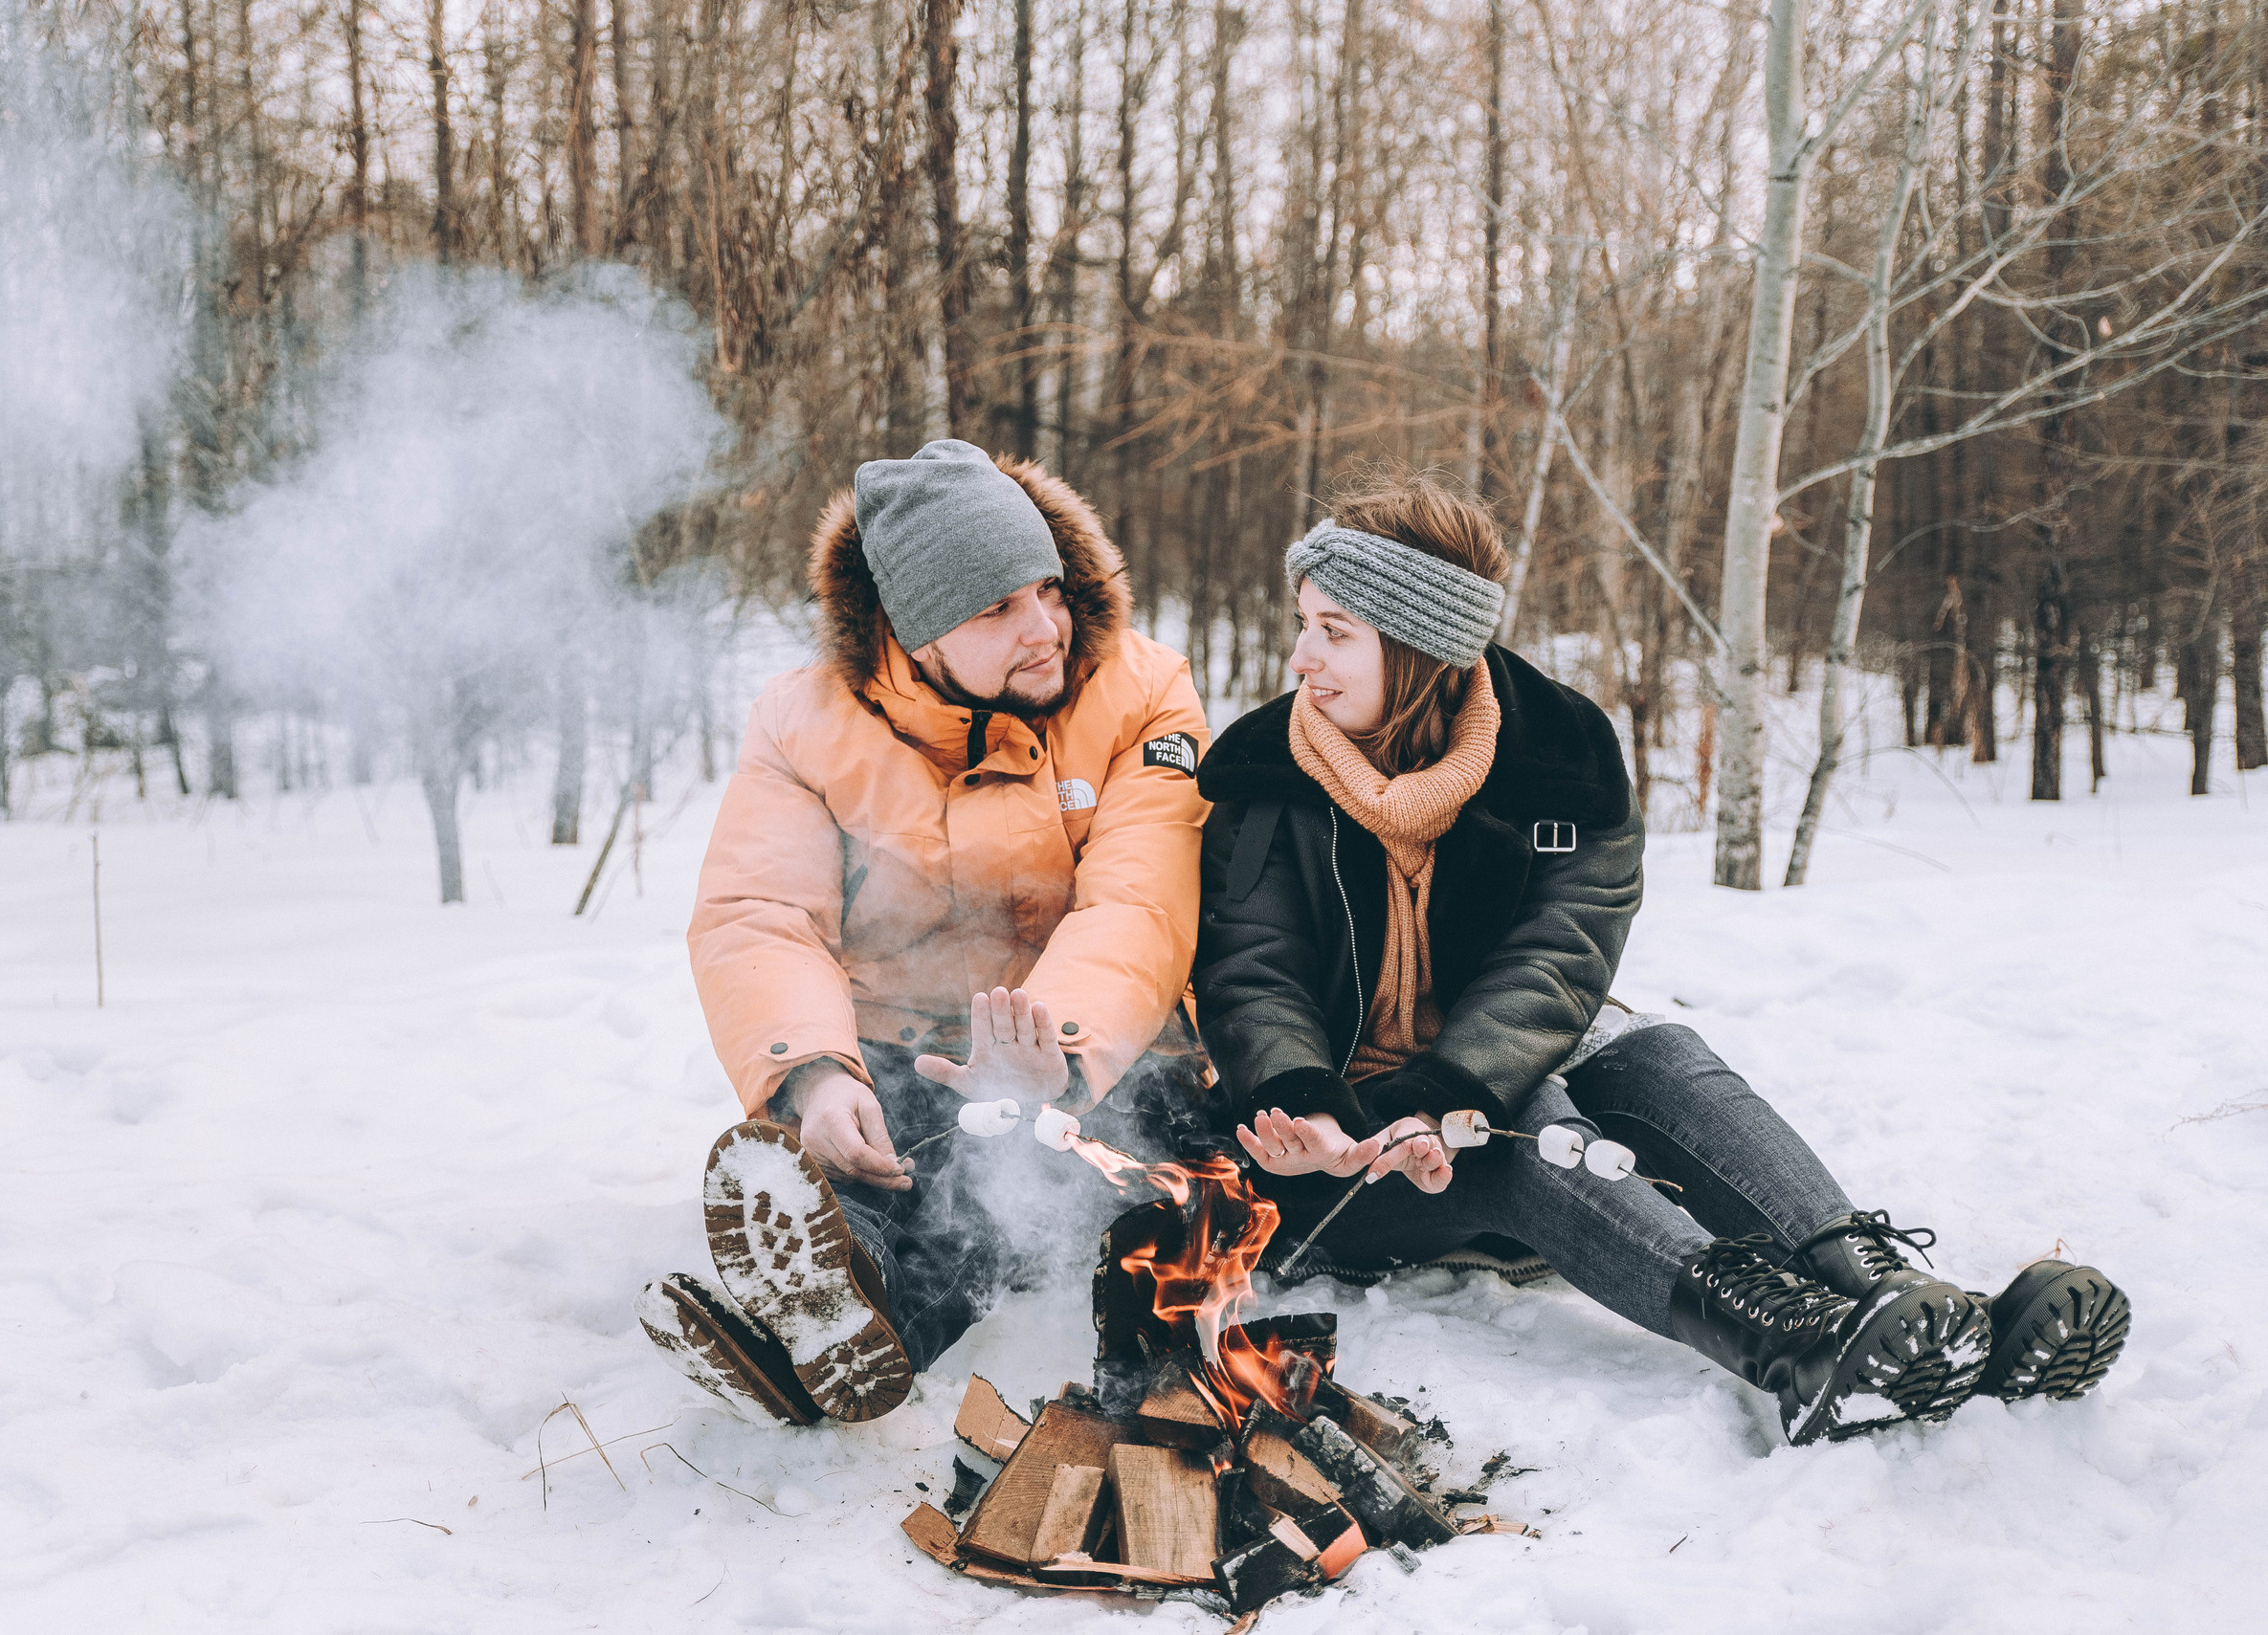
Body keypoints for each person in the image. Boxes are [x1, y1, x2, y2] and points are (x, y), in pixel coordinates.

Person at [1191, 469, 2128, 1446]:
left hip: (1481, 1085)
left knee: (1652, 1051)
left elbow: (1558, 960)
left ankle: (1907, 1304)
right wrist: (1305, 1104)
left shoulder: (1563, 758)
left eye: (1333, 629)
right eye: (1304, 622)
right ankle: (1791, 1346)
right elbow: (1250, 968)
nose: (1300, 656)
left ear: (1419, 645)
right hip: (1326, 1162)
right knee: (1529, 1116)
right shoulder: (1265, 772)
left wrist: (1450, 1091)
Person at [642, 439, 1214, 1425]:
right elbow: (761, 912)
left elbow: (1141, 898)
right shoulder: (804, 720)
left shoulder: (1144, 690)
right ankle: (820, 1272)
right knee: (873, 1146)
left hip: (1099, 1056)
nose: (1044, 627)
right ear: (915, 632)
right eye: (995, 608)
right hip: (900, 1038)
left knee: (1006, 1163)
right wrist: (814, 1072)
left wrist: (1059, 1050)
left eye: (1046, 588)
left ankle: (864, 1333)